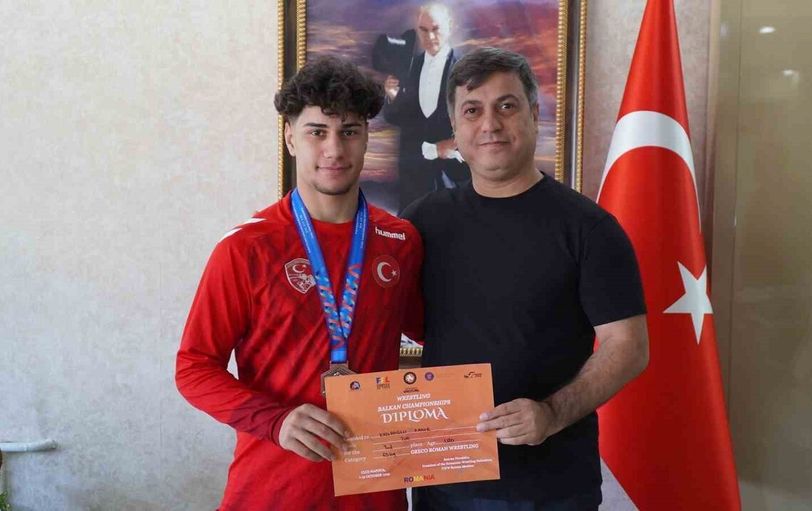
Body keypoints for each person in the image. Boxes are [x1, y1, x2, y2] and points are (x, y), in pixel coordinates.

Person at [403, 47, 650, 510]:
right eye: (472, 111)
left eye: (507, 106)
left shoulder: (589, 228)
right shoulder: (420, 222)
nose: (490, 124)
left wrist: (552, 413)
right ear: (454, 127)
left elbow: (629, 346)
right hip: (444, 482)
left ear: (534, 115)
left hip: (550, 488)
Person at [175, 56, 423, 511]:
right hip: (272, 492)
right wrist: (276, 421)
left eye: (349, 131)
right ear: (290, 137)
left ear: (367, 138)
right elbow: (193, 367)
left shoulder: (400, 240)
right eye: (316, 132)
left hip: (376, 494)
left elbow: (439, 335)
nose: (334, 149)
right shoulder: (246, 247)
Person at [383, 2, 469, 213]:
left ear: (450, 26)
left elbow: (476, 123)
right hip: (413, 179)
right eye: (423, 30)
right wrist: (393, 97)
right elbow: (398, 119)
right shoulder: (408, 67)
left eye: (436, 29)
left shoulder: (467, 70)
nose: (429, 37)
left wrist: (449, 146)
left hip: (452, 180)